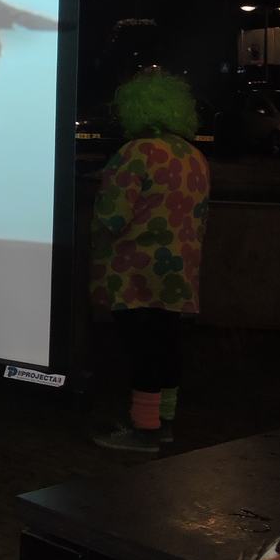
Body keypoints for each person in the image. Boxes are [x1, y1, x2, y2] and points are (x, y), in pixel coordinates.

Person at [89, 70, 210, 452]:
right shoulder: (194, 157)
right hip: (179, 269)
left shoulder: (135, 153)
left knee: (141, 348)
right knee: (167, 343)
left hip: (135, 272)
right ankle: (165, 422)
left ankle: (144, 430)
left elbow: (112, 216)